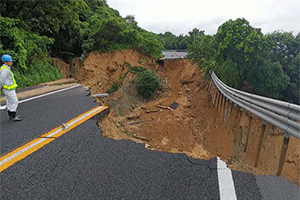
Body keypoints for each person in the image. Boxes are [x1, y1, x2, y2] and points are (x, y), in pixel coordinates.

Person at [0, 54, 22, 121]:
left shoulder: (6, 68)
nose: (11, 62)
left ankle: (10, 114)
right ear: (5, 62)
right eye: (10, 61)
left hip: (8, 88)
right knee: (15, 102)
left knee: (9, 102)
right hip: (8, 89)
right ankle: (13, 116)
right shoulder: (5, 70)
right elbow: (2, 79)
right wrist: (0, 86)